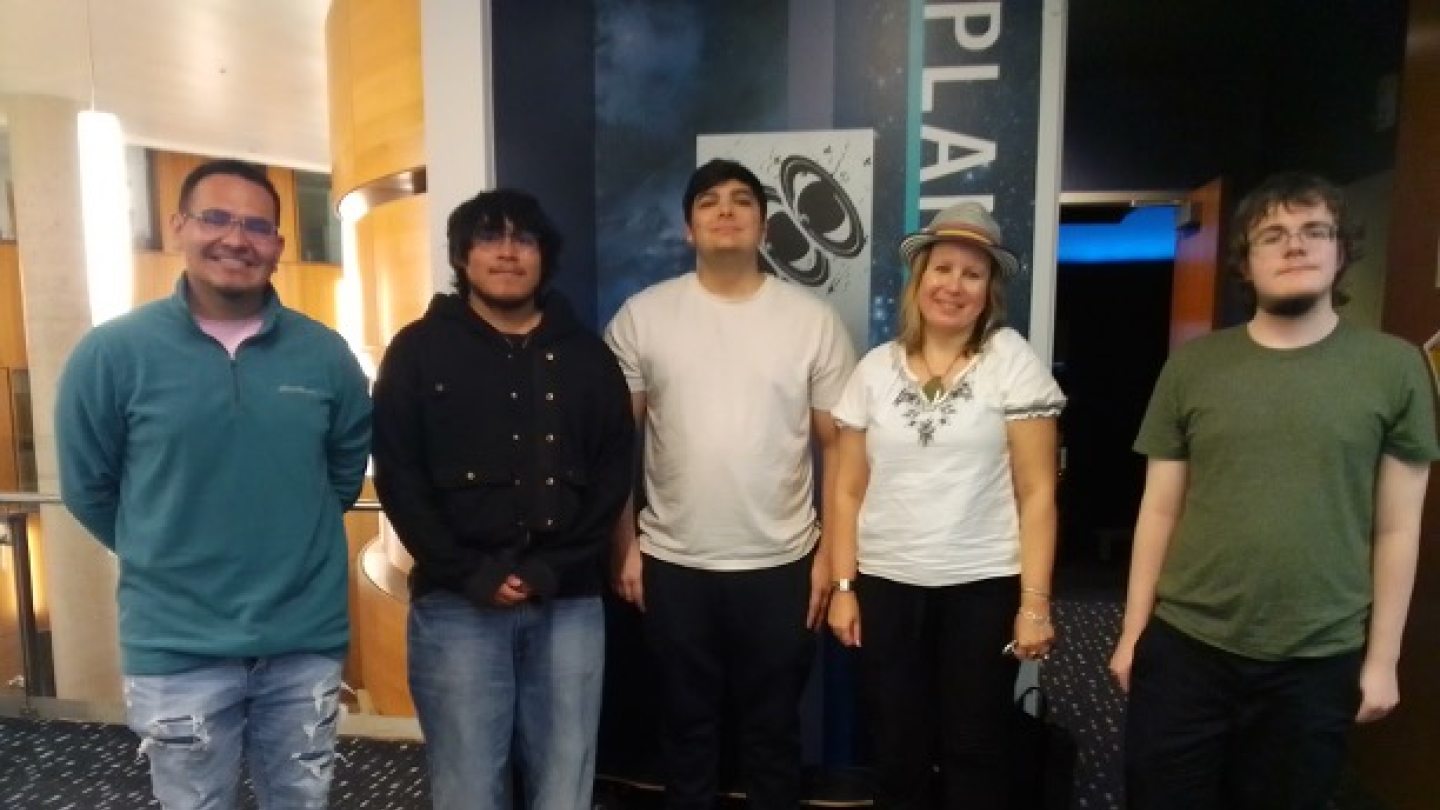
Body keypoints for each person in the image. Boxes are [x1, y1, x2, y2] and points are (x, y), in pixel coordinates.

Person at [1108, 172, 1439, 810]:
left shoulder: (1393, 367)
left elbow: (1399, 528)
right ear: (1246, 261)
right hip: (1186, 646)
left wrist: (1383, 659)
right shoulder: (1195, 365)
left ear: (1341, 251)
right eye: (1274, 235)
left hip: (1317, 656)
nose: (1296, 246)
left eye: (1316, 231)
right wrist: (1132, 632)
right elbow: (1159, 508)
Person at [55, 159, 372, 809]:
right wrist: (162, 549)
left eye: (258, 226)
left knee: (302, 801)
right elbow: (88, 487)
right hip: (176, 646)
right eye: (216, 218)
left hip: (303, 640)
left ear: (279, 247)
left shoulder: (325, 355)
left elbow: (342, 473)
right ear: (178, 227)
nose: (237, 239)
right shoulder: (112, 354)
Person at [604, 158, 856, 809]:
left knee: (773, 735)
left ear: (765, 226)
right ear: (689, 228)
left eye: (742, 201)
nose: (725, 210)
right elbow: (610, 444)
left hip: (784, 562)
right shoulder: (643, 317)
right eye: (709, 201)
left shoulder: (812, 321)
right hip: (672, 562)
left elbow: (841, 447)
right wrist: (624, 543)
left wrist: (832, 556)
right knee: (686, 734)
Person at [372, 189, 634, 809]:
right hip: (455, 604)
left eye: (525, 239)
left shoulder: (588, 357)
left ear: (545, 256)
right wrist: (469, 571)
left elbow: (611, 475)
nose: (509, 253)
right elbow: (400, 478)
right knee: (466, 784)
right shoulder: (416, 351)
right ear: (464, 257)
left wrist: (552, 568)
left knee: (566, 782)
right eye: (491, 238)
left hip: (568, 602)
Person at [825, 202, 1064, 809]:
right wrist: (843, 585)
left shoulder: (1012, 360)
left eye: (972, 274)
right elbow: (847, 490)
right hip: (886, 585)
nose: (954, 285)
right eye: (943, 268)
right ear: (919, 278)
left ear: (989, 291)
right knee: (896, 748)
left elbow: (1037, 493)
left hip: (982, 587)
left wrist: (1034, 604)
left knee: (975, 748)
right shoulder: (875, 369)